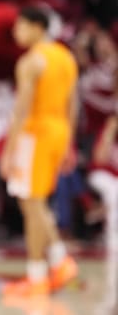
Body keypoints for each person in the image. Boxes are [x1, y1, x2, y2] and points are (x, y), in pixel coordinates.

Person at [0, 6, 79, 296]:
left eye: (21, 26)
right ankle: (54, 263)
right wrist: (69, 141)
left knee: (32, 205)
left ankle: (43, 272)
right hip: (58, 130)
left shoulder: (31, 61)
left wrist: (9, 151)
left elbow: (21, 110)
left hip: (35, 133)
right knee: (34, 203)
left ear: (37, 27)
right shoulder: (66, 57)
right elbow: (74, 102)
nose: (16, 32)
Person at [89, 108, 118, 314]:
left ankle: (102, 211)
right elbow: (99, 159)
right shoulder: (109, 125)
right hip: (104, 175)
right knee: (114, 189)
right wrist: (110, 131)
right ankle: (113, 234)